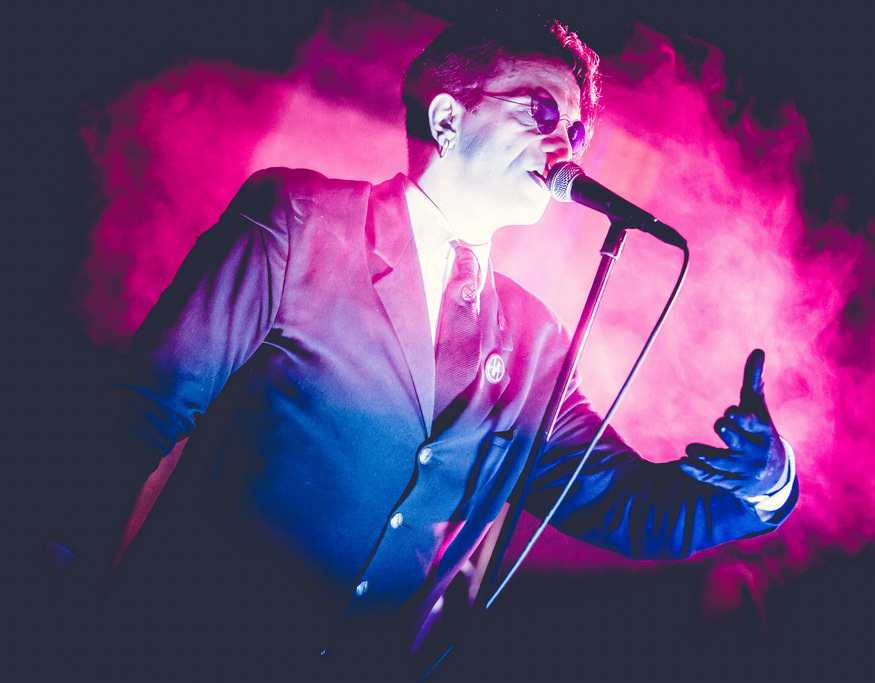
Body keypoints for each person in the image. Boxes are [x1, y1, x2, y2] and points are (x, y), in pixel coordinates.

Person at [51, 16, 796, 681]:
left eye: (574, 131)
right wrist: (54, 580)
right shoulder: (300, 221)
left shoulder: (534, 340)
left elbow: (626, 505)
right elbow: (142, 408)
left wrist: (766, 483)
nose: (564, 145)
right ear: (447, 118)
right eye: (540, 111)